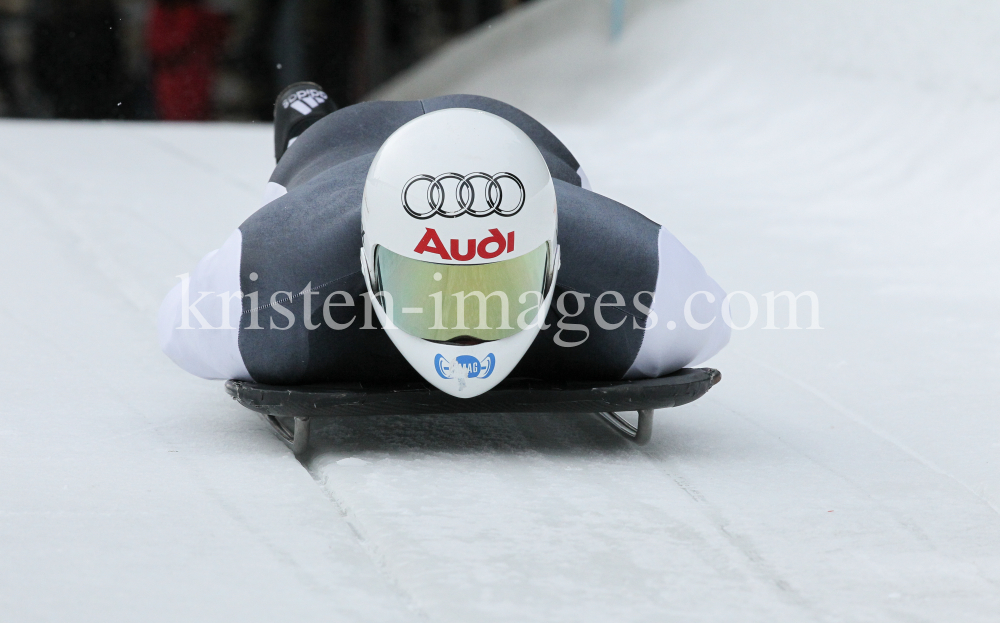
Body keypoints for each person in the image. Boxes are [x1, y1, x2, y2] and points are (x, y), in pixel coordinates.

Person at [158, 83, 730, 397]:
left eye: (498, 286)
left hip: (524, 147)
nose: (464, 319)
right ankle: (308, 133)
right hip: (337, 158)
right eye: (427, 288)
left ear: (554, 262)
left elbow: (179, 328)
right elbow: (179, 324)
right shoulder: (290, 271)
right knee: (306, 173)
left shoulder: (637, 281)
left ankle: (313, 128)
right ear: (369, 266)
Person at [146, 0, 228, 121]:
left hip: (193, 75)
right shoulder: (165, 12)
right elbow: (163, 45)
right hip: (174, 75)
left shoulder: (197, 14)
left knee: (193, 118)